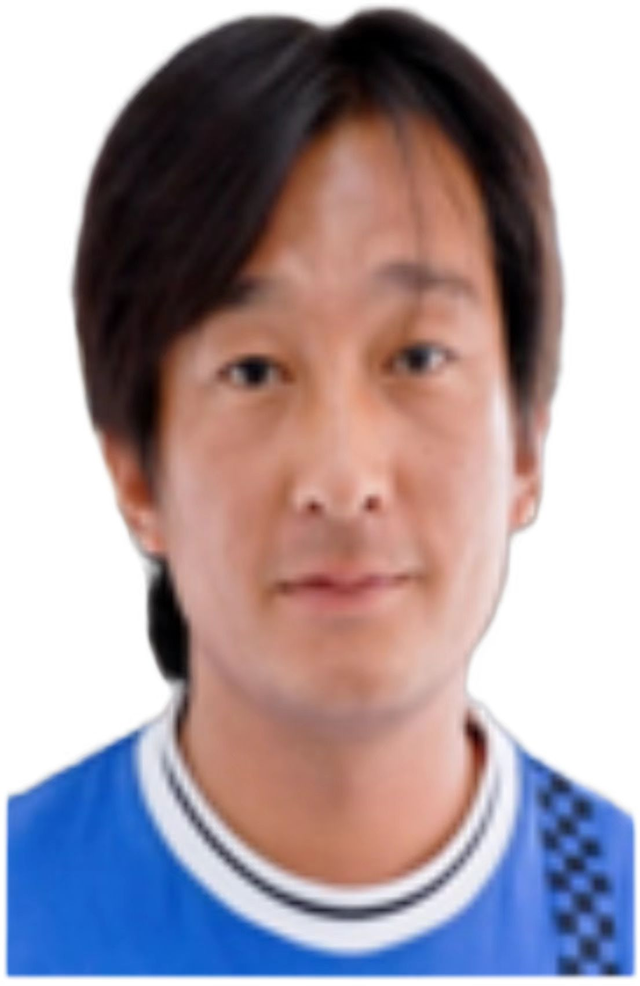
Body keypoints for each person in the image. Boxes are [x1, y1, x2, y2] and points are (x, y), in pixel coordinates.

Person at [7, 7, 633, 976]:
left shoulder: (613, 924)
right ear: (135, 470)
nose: (343, 481)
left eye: (417, 358)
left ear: (525, 444)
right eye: (255, 370)